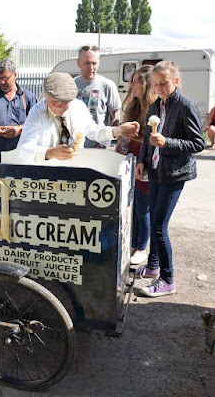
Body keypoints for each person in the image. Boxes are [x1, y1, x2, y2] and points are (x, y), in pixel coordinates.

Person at [135, 61, 205, 297]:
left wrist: (168, 142)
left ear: (176, 81)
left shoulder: (185, 107)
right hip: (155, 171)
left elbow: (198, 143)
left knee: (158, 226)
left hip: (175, 175)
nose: (159, 88)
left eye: (163, 83)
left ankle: (168, 279)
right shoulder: (155, 106)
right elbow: (147, 137)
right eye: (155, 84)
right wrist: (142, 161)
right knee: (154, 221)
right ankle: (153, 267)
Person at [17, 72, 139, 163]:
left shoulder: (78, 107)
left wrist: (116, 131)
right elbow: (23, 149)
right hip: (45, 175)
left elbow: (94, 131)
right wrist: (51, 152)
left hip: (74, 170)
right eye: (55, 102)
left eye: (66, 102)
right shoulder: (37, 113)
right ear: (45, 95)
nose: (61, 107)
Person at [117, 65, 156, 265]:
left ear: (146, 84)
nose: (132, 85)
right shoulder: (133, 105)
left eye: (136, 81)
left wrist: (138, 136)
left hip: (146, 163)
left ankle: (142, 248)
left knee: (143, 209)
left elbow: (151, 140)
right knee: (130, 207)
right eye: (131, 81)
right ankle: (132, 244)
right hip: (130, 161)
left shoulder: (153, 107)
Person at [75, 45, 122, 148]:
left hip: (98, 147)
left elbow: (116, 118)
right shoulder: (71, 85)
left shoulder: (107, 85)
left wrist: (103, 143)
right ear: (79, 63)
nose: (91, 68)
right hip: (74, 146)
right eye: (87, 63)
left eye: (94, 63)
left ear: (99, 63)